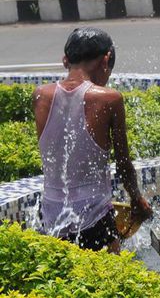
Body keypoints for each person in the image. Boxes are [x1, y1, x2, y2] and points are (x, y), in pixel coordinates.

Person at [32, 27, 152, 253]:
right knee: (111, 280)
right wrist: (136, 199)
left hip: (50, 213)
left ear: (66, 60)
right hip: (94, 215)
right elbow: (123, 164)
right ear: (106, 59)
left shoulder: (41, 95)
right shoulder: (109, 99)